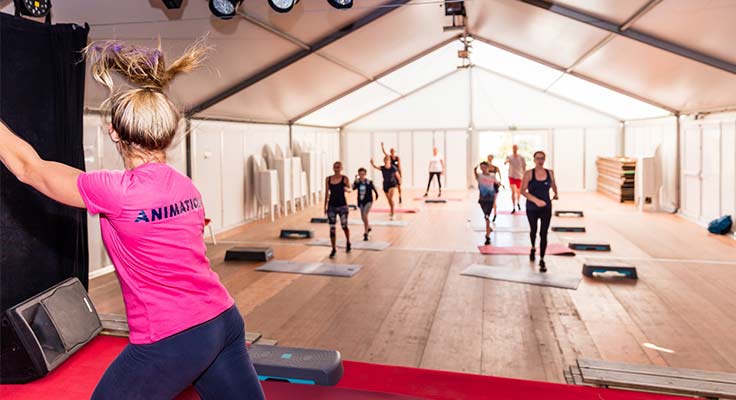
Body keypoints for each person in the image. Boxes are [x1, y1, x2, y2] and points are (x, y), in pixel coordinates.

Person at [0, 40, 265, 399]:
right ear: (168, 134)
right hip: (222, 320)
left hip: (171, 337)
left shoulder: (116, 190)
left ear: (113, 131)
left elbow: (30, 169)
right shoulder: (186, 187)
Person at [520, 151, 558, 273]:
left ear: (544, 159)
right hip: (532, 207)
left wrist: (556, 193)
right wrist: (536, 201)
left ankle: (542, 259)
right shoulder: (529, 173)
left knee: (544, 233)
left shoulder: (549, 172)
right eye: (537, 158)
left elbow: (553, 185)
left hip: (546, 207)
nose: (540, 160)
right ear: (534, 159)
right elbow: (523, 191)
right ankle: (532, 248)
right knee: (534, 230)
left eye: (542, 158)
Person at [324, 161, 352, 258]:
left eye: (338, 167)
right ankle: (333, 248)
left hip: (342, 206)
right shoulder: (328, 179)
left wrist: (347, 189)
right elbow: (326, 193)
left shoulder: (345, 178)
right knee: (332, 228)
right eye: (335, 167)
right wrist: (325, 206)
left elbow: (350, 189)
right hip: (331, 205)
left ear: (341, 168)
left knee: (344, 226)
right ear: (333, 168)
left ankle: (348, 241)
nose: (337, 169)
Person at [353, 167, 379, 241]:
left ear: (365, 174)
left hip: (368, 201)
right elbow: (353, 188)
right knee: (363, 217)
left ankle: (366, 233)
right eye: (360, 174)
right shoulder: (358, 182)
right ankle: (368, 227)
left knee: (365, 215)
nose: (362, 176)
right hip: (361, 201)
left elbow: (374, 188)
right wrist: (355, 180)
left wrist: (376, 194)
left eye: (363, 174)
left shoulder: (368, 182)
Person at [474, 161, 497, 245]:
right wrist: (475, 169)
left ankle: (487, 236)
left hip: (490, 199)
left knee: (487, 217)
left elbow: (496, 184)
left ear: (488, 167)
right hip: (482, 199)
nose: (483, 169)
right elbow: (475, 174)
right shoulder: (479, 176)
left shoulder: (492, 176)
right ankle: (488, 229)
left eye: (485, 167)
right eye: (482, 168)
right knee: (486, 217)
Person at [505, 145, 526, 213]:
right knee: (513, 191)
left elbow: (524, 167)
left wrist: (525, 175)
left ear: (517, 148)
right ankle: (513, 206)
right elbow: (506, 160)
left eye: (516, 148)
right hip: (511, 176)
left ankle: (518, 202)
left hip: (519, 176)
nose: (515, 149)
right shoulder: (509, 156)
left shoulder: (521, 157)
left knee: (518, 191)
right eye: (513, 148)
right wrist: (506, 161)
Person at [486, 154, 503, 222]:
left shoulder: (496, 168)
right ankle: (488, 214)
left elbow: (499, 177)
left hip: (494, 186)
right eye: (488, 158)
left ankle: (495, 214)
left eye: (491, 158)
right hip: (487, 186)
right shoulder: (485, 167)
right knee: (488, 201)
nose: (490, 159)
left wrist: (499, 182)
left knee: (494, 201)